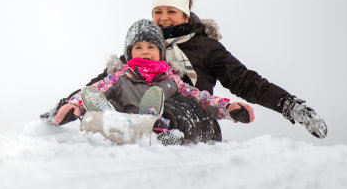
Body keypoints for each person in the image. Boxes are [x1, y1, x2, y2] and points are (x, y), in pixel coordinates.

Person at [41, 0, 327, 140]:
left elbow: (245, 81)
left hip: (194, 117)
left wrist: (289, 105)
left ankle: (162, 124)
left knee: (178, 101)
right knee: (117, 93)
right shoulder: (143, 47)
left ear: (186, 15)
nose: (164, 18)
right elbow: (103, 82)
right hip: (137, 116)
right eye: (158, 12)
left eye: (171, 11)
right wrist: (64, 107)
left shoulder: (206, 47)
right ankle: (129, 124)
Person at [52, 19, 255, 145]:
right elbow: (95, 89)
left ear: (160, 52)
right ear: (129, 53)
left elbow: (202, 99)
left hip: (166, 129)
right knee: (109, 100)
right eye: (138, 47)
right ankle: (108, 116)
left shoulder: (172, 80)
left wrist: (228, 109)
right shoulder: (120, 76)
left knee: (185, 104)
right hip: (128, 125)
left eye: (151, 46)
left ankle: (160, 123)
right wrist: (75, 106)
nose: (145, 51)